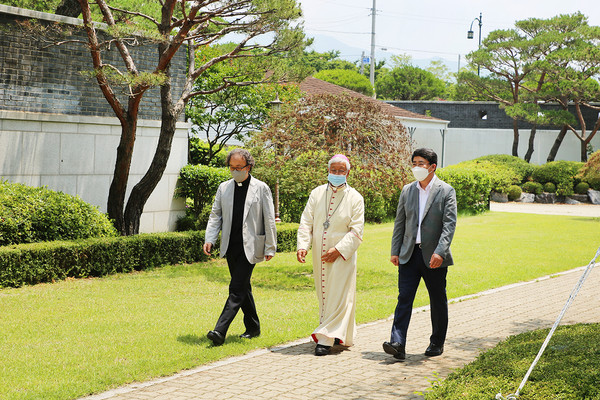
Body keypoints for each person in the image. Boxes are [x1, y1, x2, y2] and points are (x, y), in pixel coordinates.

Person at [383, 148, 457, 360]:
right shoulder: (407, 190)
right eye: (414, 163)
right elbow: (400, 223)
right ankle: (397, 343)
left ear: (432, 167)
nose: (417, 167)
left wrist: (440, 252)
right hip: (408, 254)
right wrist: (395, 251)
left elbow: (449, 225)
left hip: (434, 256)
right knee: (404, 298)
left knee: (437, 299)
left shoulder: (446, 191)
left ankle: (437, 342)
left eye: (421, 163)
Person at [203, 148, 277, 346]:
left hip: (251, 246)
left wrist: (270, 247)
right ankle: (253, 327)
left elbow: (269, 219)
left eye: (239, 167)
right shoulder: (224, 188)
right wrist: (209, 239)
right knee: (244, 287)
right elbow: (215, 215)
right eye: (232, 167)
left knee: (236, 289)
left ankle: (219, 331)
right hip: (231, 246)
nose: (235, 171)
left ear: (249, 166)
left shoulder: (261, 188)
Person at [297, 154, 364, 356]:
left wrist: (339, 250)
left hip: (343, 254)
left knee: (340, 295)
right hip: (319, 253)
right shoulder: (317, 193)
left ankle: (325, 340)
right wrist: (303, 245)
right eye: (333, 170)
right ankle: (344, 336)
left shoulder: (355, 197)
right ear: (328, 170)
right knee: (325, 295)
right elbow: (306, 221)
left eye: (340, 171)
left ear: (348, 172)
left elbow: (357, 230)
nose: (336, 174)